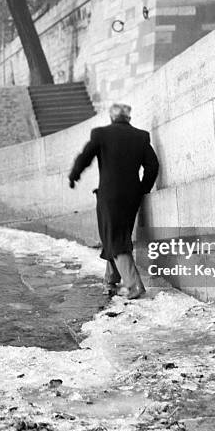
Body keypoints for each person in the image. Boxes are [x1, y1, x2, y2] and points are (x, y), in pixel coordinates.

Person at [68, 103, 159, 299]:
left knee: (115, 239)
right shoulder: (141, 136)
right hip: (132, 196)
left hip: (109, 196)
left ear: (111, 118)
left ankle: (134, 285)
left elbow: (85, 157)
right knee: (118, 236)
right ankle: (110, 280)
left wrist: (74, 175)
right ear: (129, 118)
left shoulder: (101, 134)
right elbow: (153, 166)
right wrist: (143, 188)